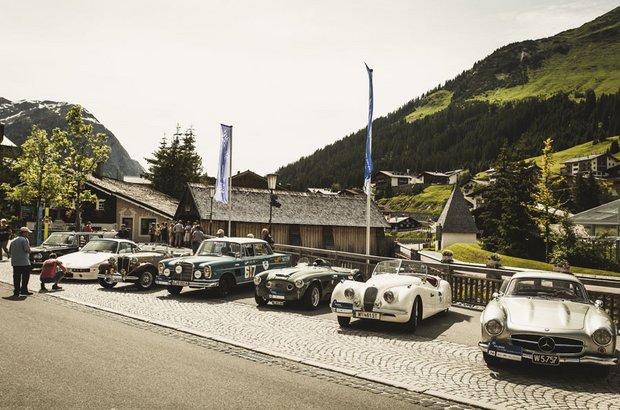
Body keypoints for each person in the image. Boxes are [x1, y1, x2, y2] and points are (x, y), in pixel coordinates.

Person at [8, 227, 32, 297]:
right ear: (24, 233)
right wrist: (30, 251)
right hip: (24, 262)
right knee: (25, 277)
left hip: (15, 262)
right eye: (27, 233)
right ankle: (24, 290)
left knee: (16, 277)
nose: (28, 234)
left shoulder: (13, 240)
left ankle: (16, 291)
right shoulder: (24, 240)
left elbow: (9, 251)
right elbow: (27, 250)